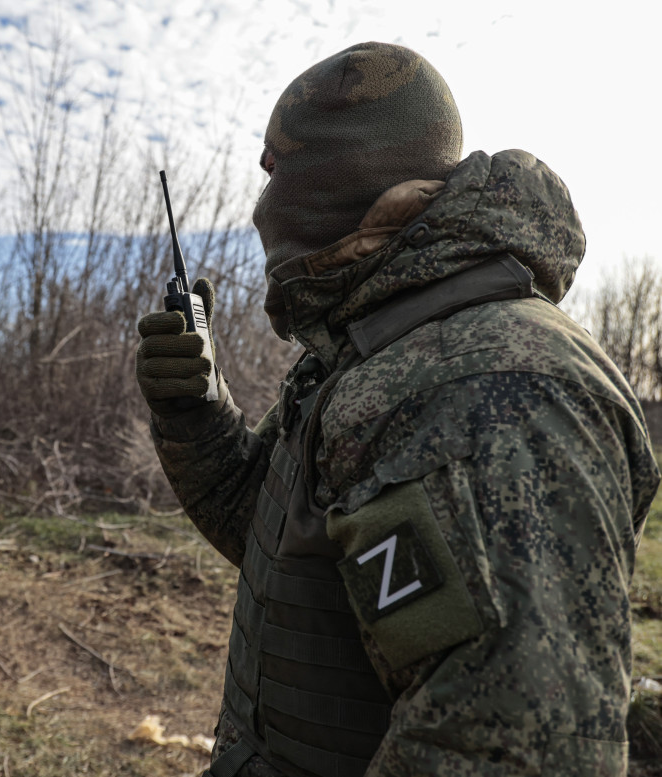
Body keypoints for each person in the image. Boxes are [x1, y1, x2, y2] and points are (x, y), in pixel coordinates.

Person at [135, 42, 660, 777]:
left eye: (274, 166)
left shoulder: (487, 381)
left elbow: (503, 753)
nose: (262, 197)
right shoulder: (378, 351)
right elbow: (288, 539)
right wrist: (195, 410)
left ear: (338, 175)